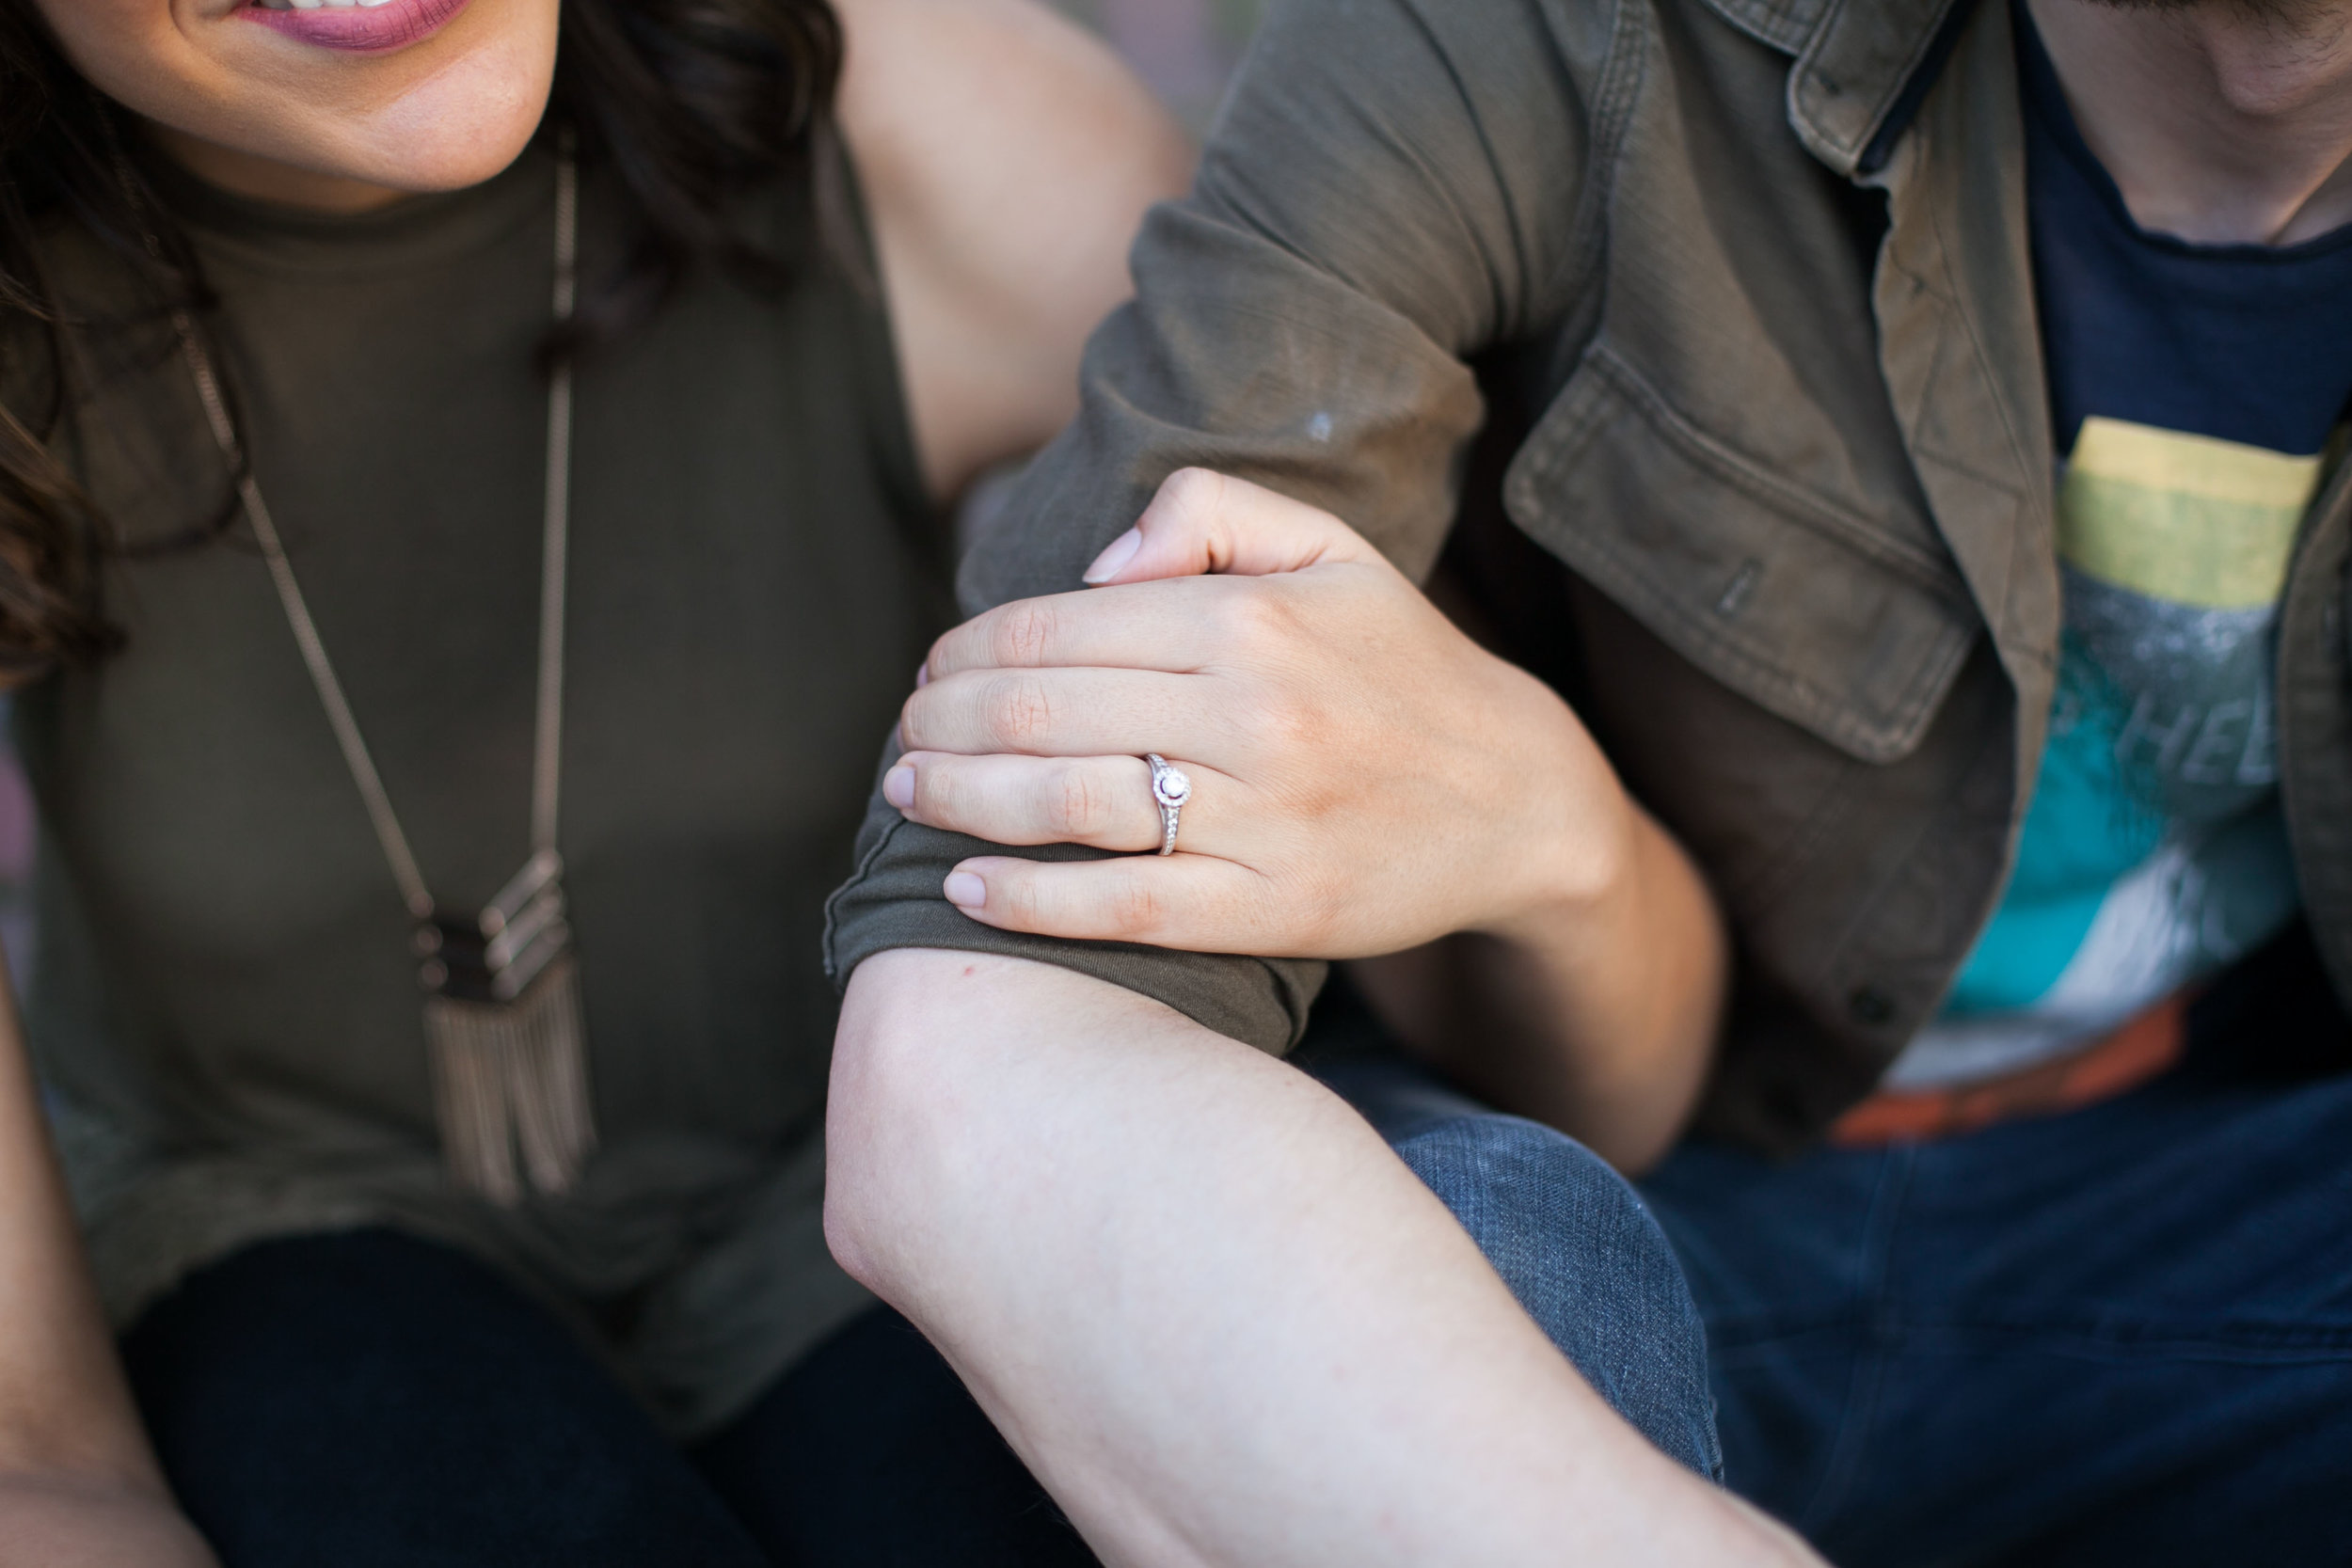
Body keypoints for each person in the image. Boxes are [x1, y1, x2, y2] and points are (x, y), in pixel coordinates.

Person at [830, 0, 2352, 1560]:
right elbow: (982, 1029)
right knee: (1468, 1236)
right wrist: (1560, 839)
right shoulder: (1558, 37)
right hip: (1627, 1191)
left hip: (2214, 1194)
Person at [0, 0, 1202, 1559]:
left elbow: (1404, 682)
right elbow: (40, 1455)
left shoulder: (887, 105)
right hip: (260, 1233)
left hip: (868, 1173)